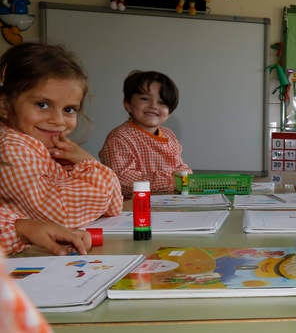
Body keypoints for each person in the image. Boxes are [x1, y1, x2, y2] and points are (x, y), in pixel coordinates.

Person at [0, 43, 122, 255]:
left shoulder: (45, 146)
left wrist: (88, 167)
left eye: (69, 109)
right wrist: (90, 166)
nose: (58, 120)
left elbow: (114, 205)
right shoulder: (13, 148)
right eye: (42, 105)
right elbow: (58, 215)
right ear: (4, 106)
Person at [100, 71, 191, 199]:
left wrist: (185, 175)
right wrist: (171, 180)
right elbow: (121, 180)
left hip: (170, 202)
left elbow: (179, 166)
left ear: (169, 112)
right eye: (145, 99)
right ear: (128, 104)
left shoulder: (169, 135)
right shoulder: (119, 138)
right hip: (132, 207)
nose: (153, 106)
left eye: (162, 102)